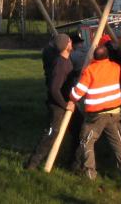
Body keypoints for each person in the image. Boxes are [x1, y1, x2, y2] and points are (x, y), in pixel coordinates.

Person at [69, 45, 121, 185]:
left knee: (87, 142)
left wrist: (72, 91)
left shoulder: (89, 71)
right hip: (114, 113)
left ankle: (90, 173)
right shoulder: (116, 67)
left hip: (95, 116)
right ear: (108, 56)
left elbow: (76, 95)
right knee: (118, 145)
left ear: (93, 57)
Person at [25, 33, 81, 170]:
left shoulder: (66, 60)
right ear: (66, 45)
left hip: (69, 103)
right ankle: (33, 163)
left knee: (78, 131)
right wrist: (64, 105)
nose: (71, 43)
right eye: (69, 41)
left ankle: (73, 162)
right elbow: (54, 89)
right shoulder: (60, 64)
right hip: (58, 105)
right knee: (52, 133)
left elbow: (66, 78)